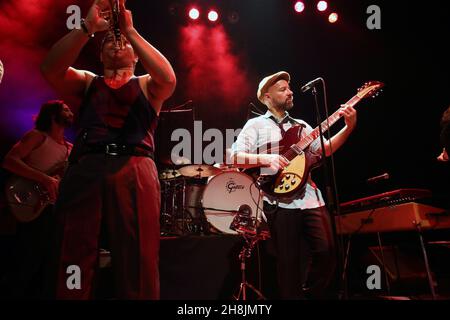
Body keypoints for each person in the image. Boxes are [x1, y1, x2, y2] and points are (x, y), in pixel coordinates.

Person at [40, 0, 176, 299]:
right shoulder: (89, 81)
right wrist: (87, 27)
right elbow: (50, 68)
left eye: (124, 42)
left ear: (137, 56)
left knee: (137, 257)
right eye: (110, 41)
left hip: (134, 168)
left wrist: (130, 30)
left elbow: (168, 78)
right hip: (86, 168)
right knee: (72, 251)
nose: (117, 41)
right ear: (100, 55)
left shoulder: (146, 85)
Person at [231, 71, 357, 299]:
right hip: (277, 201)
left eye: (289, 88)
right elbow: (234, 157)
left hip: (310, 197)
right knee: (287, 266)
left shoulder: (302, 126)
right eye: (282, 89)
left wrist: (348, 127)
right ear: (267, 97)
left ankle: (308, 295)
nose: (290, 92)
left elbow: (325, 149)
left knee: (327, 251)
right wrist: (266, 159)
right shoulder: (255, 125)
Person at [2, 100, 73, 298]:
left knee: (49, 264)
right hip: (31, 205)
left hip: (52, 208)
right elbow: (9, 161)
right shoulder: (37, 137)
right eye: (65, 110)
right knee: (27, 262)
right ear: (52, 115)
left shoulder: (71, 148)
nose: (70, 112)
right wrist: (44, 178)